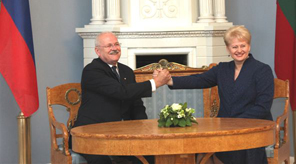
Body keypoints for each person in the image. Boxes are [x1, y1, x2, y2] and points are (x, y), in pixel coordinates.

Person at [156, 26, 274, 164]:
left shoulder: (262, 70)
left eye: (243, 45)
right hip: (224, 128)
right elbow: (199, 79)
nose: (239, 50)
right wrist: (169, 80)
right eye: (235, 46)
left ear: (249, 46)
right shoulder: (222, 69)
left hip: (252, 128)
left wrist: (235, 123)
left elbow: (263, 107)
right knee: (201, 150)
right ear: (228, 49)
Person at [73, 32, 171, 164]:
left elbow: (136, 103)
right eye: (108, 45)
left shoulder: (127, 71)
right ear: (98, 51)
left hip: (121, 134)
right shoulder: (92, 71)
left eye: (116, 44)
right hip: (90, 135)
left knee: (150, 155)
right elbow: (121, 92)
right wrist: (155, 82)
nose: (114, 48)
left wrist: (144, 131)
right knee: (102, 161)